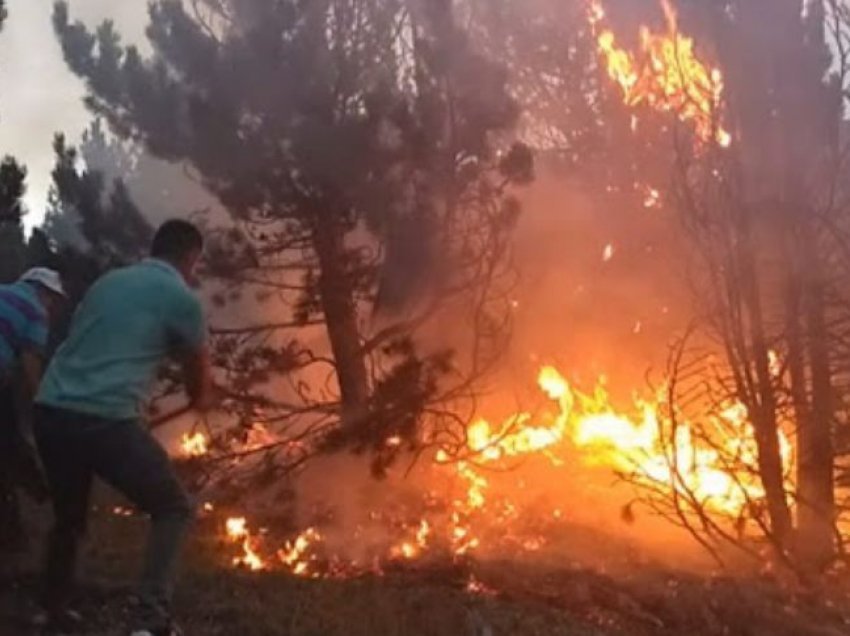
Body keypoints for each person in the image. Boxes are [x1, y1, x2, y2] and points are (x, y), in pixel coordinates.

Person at [33, 220, 213, 636]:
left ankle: (51, 610)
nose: (194, 271)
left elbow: (98, 341)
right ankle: (150, 620)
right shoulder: (180, 297)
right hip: (105, 420)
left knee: (69, 516)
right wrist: (202, 395)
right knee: (173, 507)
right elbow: (198, 370)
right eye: (196, 263)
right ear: (190, 258)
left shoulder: (109, 283)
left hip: (51, 410)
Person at [0, 268, 65, 556]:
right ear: (43, 291)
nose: (51, 306)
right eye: (52, 299)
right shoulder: (35, 310)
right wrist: (41, 399)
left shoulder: (3, 291)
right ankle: (34, 489)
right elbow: (30, 361)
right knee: (8, 446)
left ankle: (31, 485)